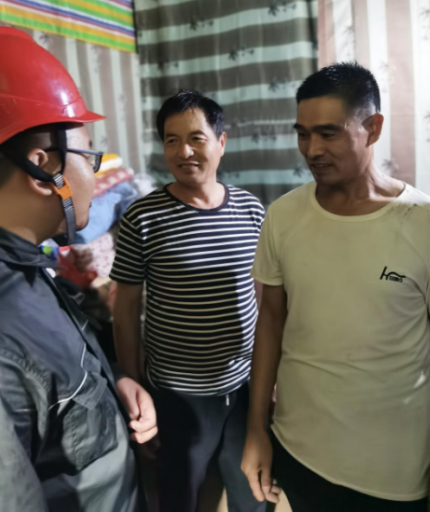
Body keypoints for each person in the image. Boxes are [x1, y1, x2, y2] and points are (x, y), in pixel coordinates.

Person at [241, 62, 430, 512]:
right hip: (299, 449)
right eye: (303, 134)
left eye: (328, 133)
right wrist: (257, 428)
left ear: (372, 128)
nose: (312, 150)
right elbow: (270, 323)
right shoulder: (282, 217)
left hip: (396, 468)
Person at [0, 27, 157, 512]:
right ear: (44, 168)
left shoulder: (30, 266)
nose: (94, 172)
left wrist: (111, 383)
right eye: (90, 157)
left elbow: (53, 385)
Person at [110, 91, 267, 512]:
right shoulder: (143, 217)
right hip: (176, 393)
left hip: (244, 386)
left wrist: (270, 377)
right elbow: (125, 311)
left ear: (221, 142)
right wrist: (136, 390)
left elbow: (264, 298)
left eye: (196, 138)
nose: (184, 152)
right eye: (171, 140)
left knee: (252, 491)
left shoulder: (251, 210)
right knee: (179, 496)